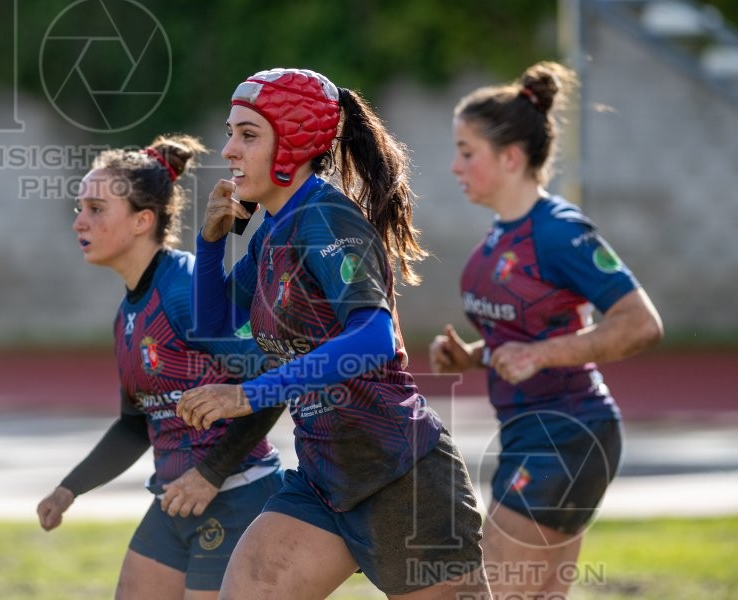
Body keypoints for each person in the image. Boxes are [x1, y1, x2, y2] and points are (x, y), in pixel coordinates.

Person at [176, 68, 491, 599]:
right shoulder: (272, 229)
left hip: (401, 477)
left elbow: (374, 338)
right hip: (324, 480)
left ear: (295, 142)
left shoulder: (326, 218)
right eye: (232, 132)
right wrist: (210, 244)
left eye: (248, 135)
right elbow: (212, 328)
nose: (229, 150)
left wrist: (248, 395)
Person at [430, 61, 664, 598]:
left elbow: (641, 324)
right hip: (531, 434)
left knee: (483, 592)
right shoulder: (500, 237)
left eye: (467, 152)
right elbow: (521, 338)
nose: (454, 166)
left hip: (568, 433)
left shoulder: (559, 232)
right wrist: (471, 356)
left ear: (510, 157)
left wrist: (545, 355)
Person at [36, 136, 284, 600]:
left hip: (235, 495)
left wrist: (210, 473)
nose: (79, 222)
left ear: (141, 220)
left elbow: (270, 384)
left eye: (95, 209)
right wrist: (70, 488)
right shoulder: (125, 315)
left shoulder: (186, 288)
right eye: (79, 207)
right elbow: (136, 425)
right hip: (174, 500)